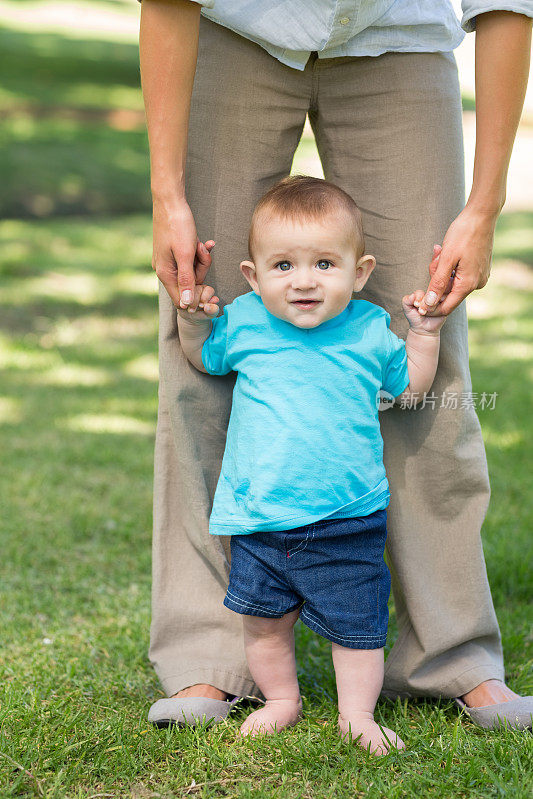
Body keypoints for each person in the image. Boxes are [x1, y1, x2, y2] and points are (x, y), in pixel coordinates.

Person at [138, 0, 533, 731]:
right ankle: (209, 659)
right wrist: (168, 193)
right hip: (233, 33)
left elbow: (507, 3)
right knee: (203, 319)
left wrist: (482, 206)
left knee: (429, 330)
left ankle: (453, 654)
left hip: (400, 44)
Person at [174, 175, 450, 753]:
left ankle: (358, 714)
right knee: (264, 624)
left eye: (325, 263)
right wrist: (194, 318)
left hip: (346, 514)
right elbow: (203, 357)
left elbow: (410, 390)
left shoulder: (370, 328)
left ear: (361, 271)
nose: (304, 281)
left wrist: (425, 333)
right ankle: (281, 698)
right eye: (283, 266)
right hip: (260, 515)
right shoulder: (246, 320)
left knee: (357, 629)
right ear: (252, 275)